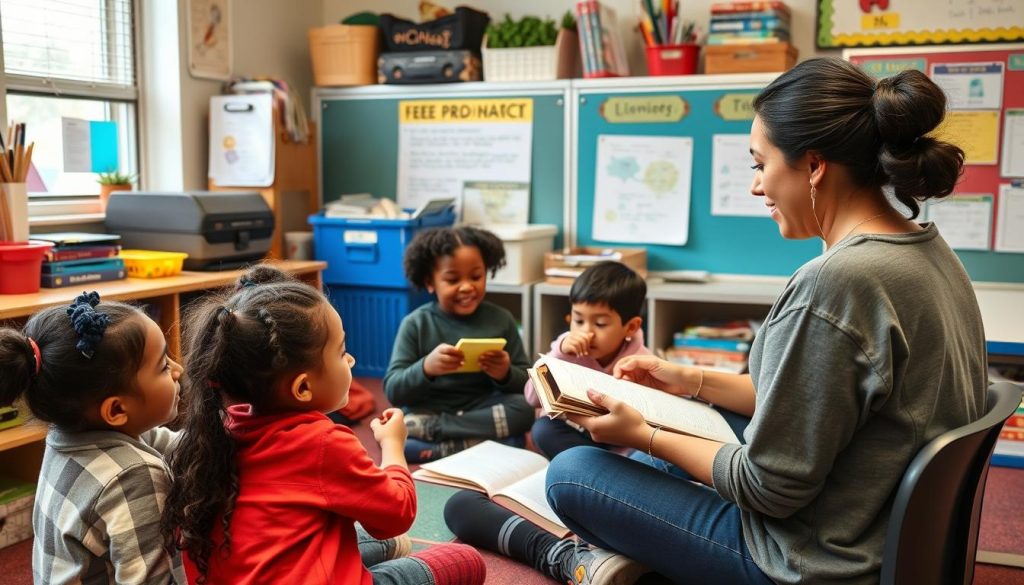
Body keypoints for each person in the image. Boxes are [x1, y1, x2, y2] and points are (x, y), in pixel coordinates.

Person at [538, 57, 989, 584]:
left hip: (812, 560)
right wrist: (690, 380)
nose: (756, 187)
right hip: (878, 530)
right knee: (683, 433)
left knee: (573, 474)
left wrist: (644, 434)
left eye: (759, 164)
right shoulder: (926, 251)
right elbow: (813, 404)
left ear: (814, 166)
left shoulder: (837, 283)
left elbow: (768, 489)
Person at [161, 266, 485, 585]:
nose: (351, 360)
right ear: (303, 388)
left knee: (362, 538)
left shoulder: (218, 431)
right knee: (463, 560)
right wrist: (392, 446)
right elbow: (396, 514)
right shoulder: (323, 442)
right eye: (342, 351)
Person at [0, 292, 184, 584]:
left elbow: (173, 445)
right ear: (116, 409)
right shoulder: (134, 475)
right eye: (163, 366)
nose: (179, 370)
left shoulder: (69, 435)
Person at [384, 226, 534, 463]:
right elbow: (393, 390)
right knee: (513, 442)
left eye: (476, 276)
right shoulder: (416, 323)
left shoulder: (501, 319)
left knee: (524, 410)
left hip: (480, 407)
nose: (467, 287)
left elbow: (527, 386)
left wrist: (505, 373)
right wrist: (426, 368)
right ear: (430, 282)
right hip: (429, 408)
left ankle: (441, 437)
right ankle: (477, 444)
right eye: (453, 279)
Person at [524, 261, 651, 459]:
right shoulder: (565, 350)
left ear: (631, 327)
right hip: (580, 434)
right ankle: (593, 469)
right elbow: (532, 398)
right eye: (579, 321)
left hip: (623, 443)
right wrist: (560, 355)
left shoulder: (641, 362)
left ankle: (601, 471)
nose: (586, 332)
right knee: (543, 430)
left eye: (600, 324)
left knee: (649, 453)